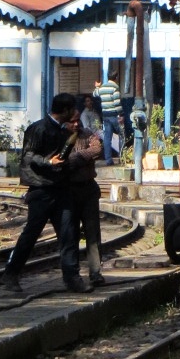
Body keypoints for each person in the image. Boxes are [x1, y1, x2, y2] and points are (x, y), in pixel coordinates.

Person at [2, 93, 87, 293]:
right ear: (64, 110)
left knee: (69, 233)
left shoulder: (64, 131)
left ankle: (72, 278)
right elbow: (28, 156)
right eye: (72, 109)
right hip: (41, 189)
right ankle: (11, 274)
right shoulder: (39, 128)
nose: (75, 113)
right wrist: (49, 162)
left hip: (61, 188)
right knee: (31, 233)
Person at [68, 106, 107, 288]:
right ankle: (73, 273)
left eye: (78, 120)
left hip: (88, 189)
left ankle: (95, 272)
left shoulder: (87, 134)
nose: (76, 124)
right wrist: (84, 157)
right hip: (69, 191)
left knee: (93, 233)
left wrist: (75, 157)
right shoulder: (60, 137)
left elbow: (97, 149)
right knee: (71, 233)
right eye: (72, 121)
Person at [95, 73, 121, 164]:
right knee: (122, 135)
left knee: (107, 137)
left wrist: (97, 87)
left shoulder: (102, 87)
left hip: (105, 115)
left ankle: (108, 160)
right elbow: (117, 103)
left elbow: (95, 94)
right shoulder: (115, 87)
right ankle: (122, 157)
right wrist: (121, 114)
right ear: (116, 78)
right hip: (114, 115)